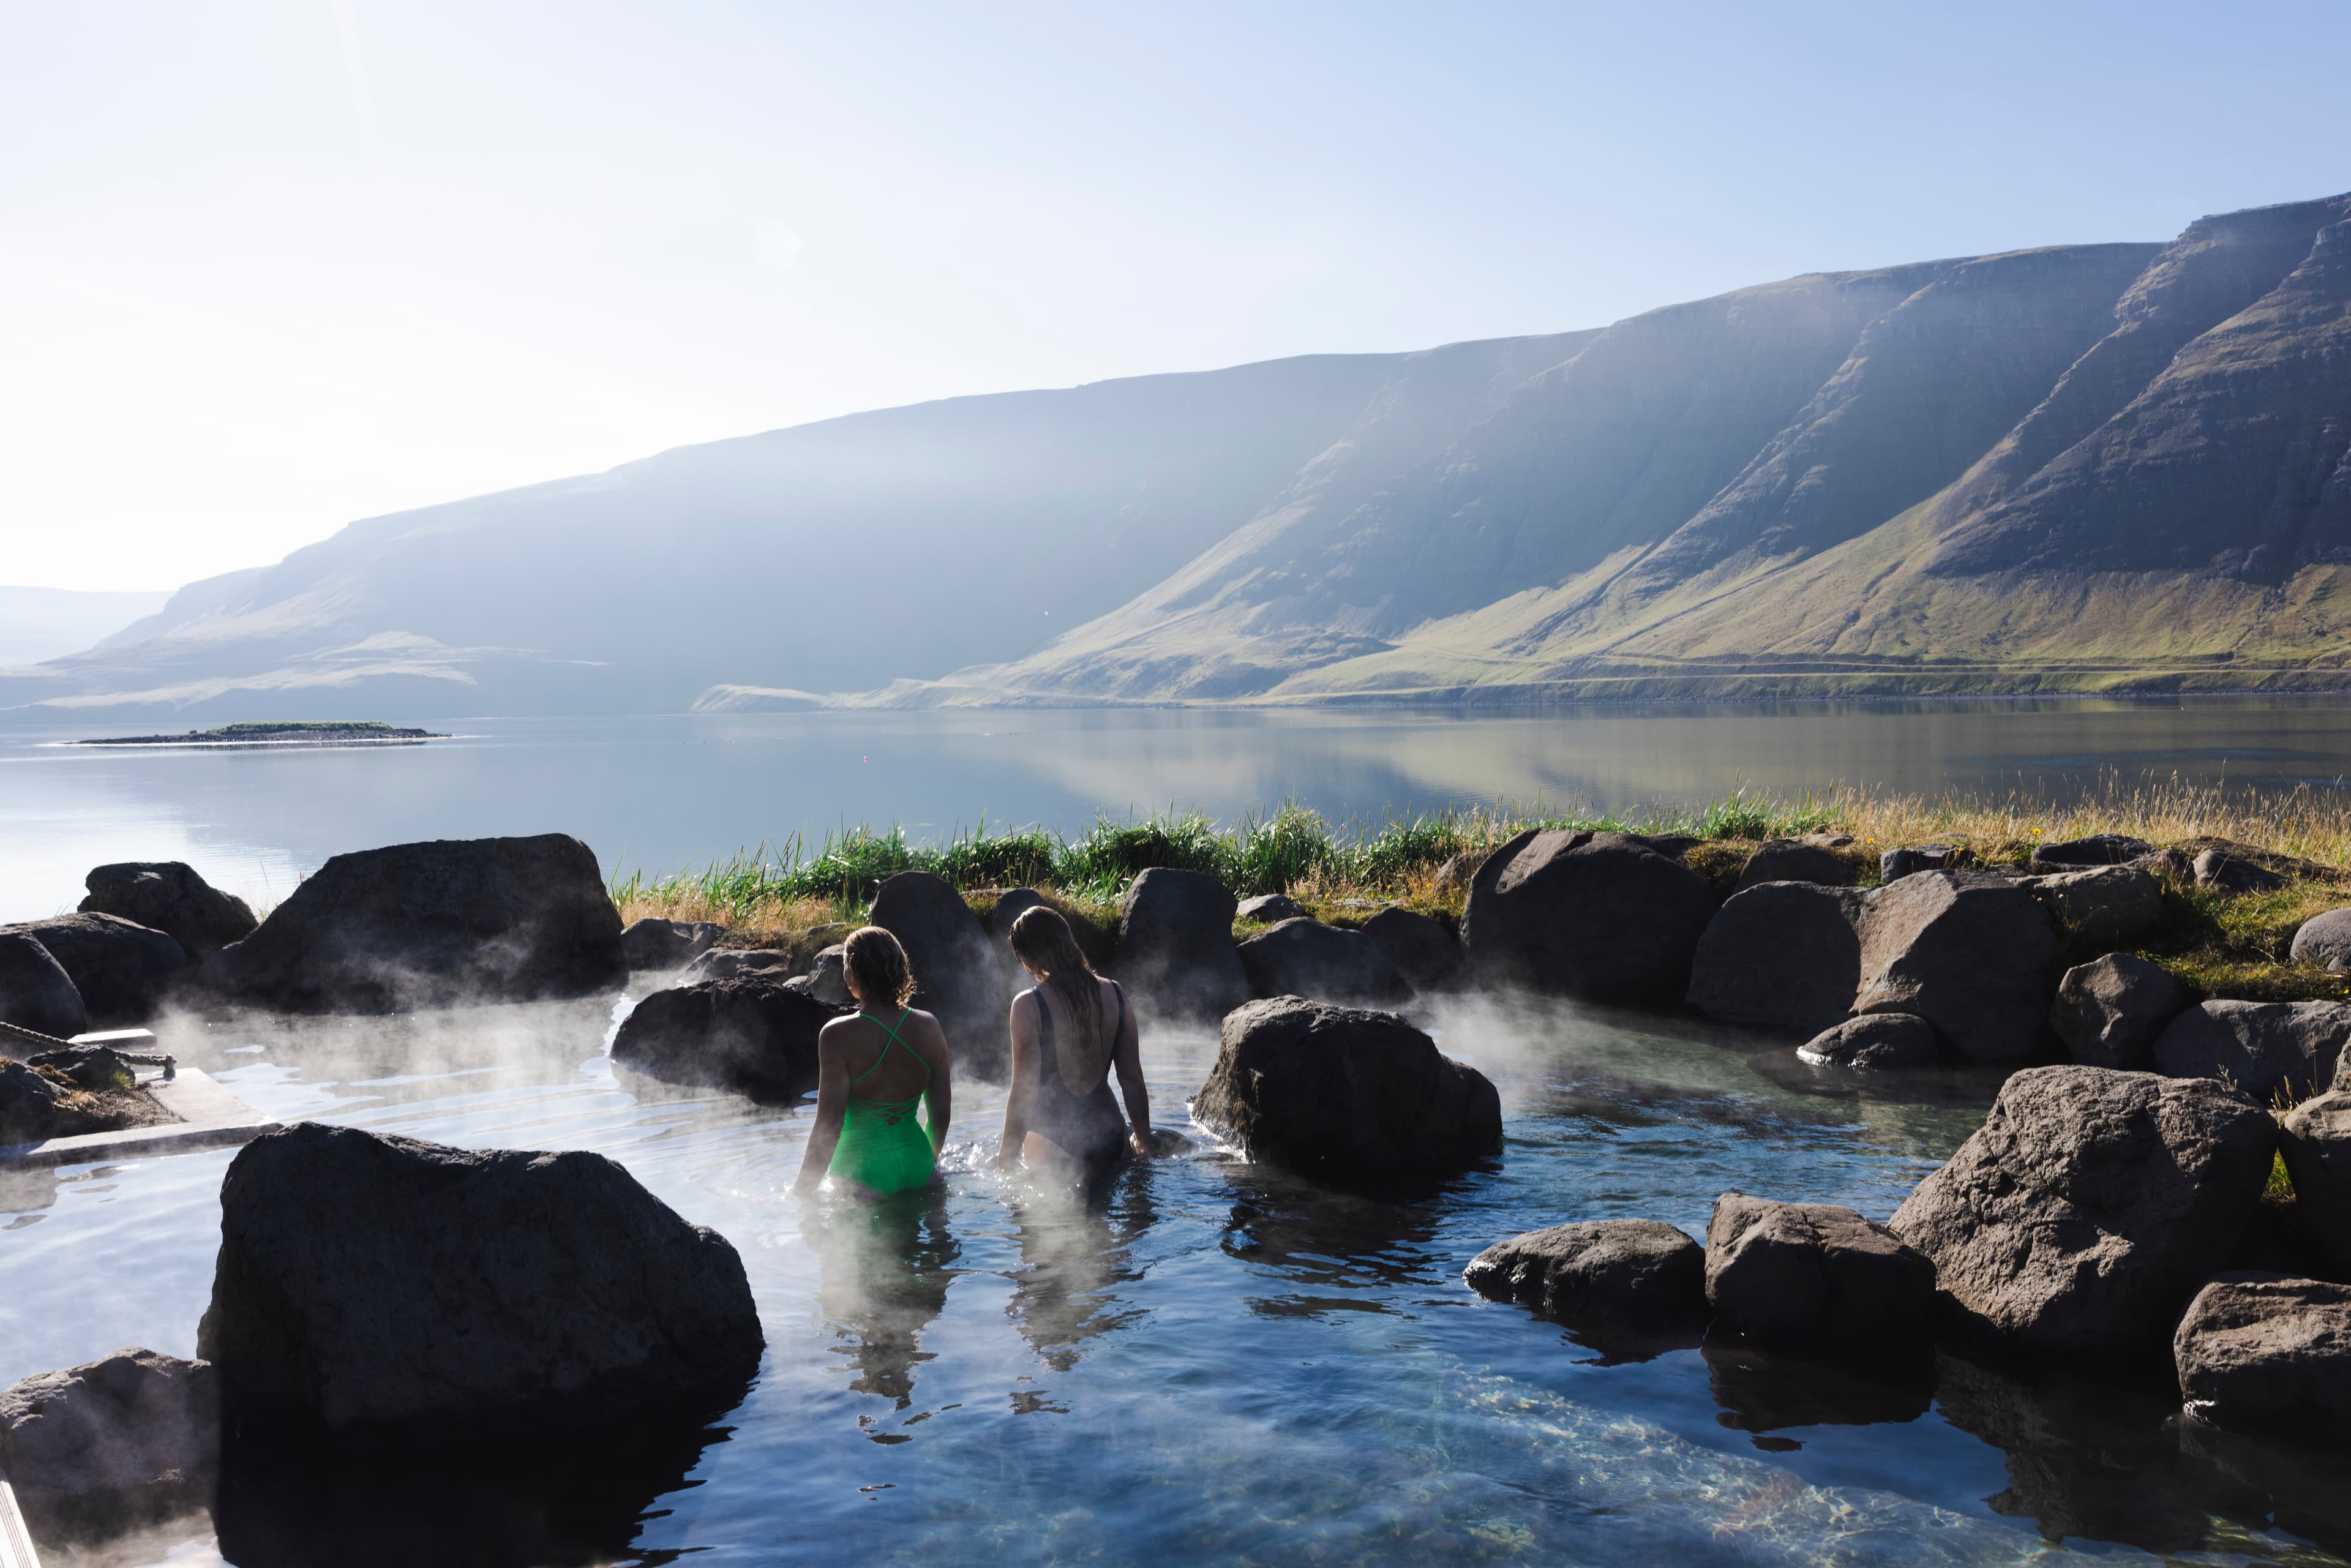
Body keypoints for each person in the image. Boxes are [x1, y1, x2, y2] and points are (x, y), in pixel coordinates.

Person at [792, 926, 953, 1198]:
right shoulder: (929, 1026)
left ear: (852, 974)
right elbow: (941, 1115)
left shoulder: (836, 1035)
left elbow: (828, 1125)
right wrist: (927, 1162)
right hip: (920, 1168)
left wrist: (801, 1192)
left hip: (861, 1174)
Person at [997, 904, 1150, 1172]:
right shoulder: (1115, 993)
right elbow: (1132, 1076)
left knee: (1056, 1212)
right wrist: (1145, 1141)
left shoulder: (1028, 1005)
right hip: (1111, 1134)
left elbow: (1024, 1090)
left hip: (1053, 1140)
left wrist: (1005, 1159)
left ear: (1029, 957)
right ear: (1067, 939)